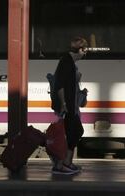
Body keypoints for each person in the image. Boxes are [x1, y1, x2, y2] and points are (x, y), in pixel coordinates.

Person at [52, 37, 88, 175]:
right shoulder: (66, 61)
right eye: (85, 51)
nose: (84, 55)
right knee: (74, 132)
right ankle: (62, 164)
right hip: (68, 106)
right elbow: (60, 85)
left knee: (75, 131)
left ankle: (67, 162)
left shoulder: (69, 62)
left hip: (71, 105)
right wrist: (64, 104)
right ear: (80, 49)